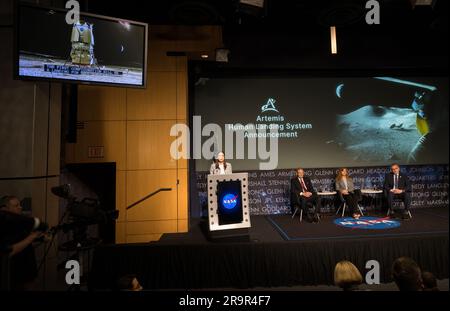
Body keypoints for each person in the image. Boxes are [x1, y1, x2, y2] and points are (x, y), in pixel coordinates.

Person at [0, 196, 43, 290]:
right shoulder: (3, 227)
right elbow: (9, 252)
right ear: (4, 209)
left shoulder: (21, 223)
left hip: (28, 271)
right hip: (15, 274)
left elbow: (26, 245)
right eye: (16, 205)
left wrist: (40, 240)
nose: (20, 207)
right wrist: (31, 237)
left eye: (20, 205)